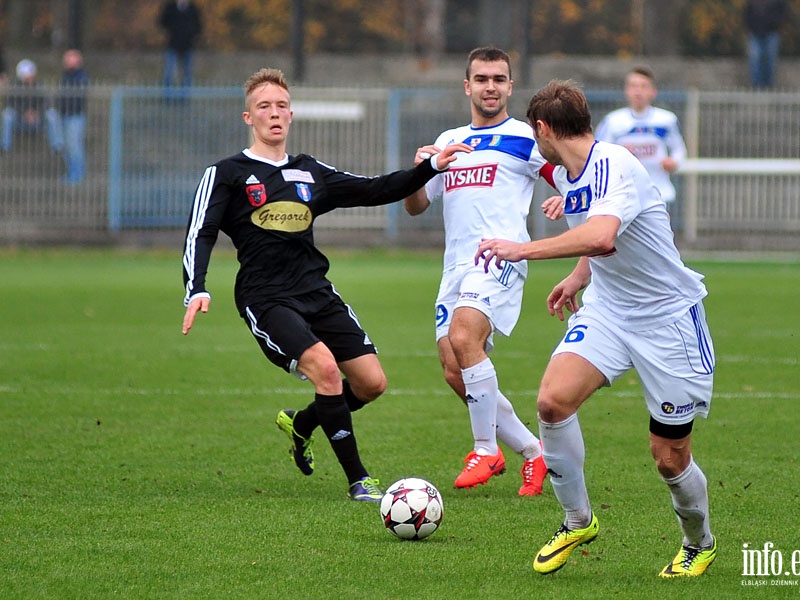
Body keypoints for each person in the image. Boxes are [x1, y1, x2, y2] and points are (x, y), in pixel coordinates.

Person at [181, 68, 470, 502]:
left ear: (292, 115)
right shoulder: (227, 173)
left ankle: (304, 423)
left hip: (316, 291)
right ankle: (359, 480)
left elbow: (374, 189)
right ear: (248, 117)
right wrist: (197, 287)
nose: (274, 114)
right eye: (264, 107)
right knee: (326, 369)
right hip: (266, 296)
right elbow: (200, 230)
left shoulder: (310, 171)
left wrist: (428, 168)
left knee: (372, 383)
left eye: (281, 106)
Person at [476, 80, 717, 577]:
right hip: (608, 310)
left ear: (543, 129)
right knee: (552, 401)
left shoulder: (617, 164)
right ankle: (576, 518)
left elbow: (604, 234)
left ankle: (700, 542)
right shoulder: (571, 172)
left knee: (669, 458)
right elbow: (601, 240)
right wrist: (577, 276)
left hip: (666, 319)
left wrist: (521, 248)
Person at [404, 46, 560, 496]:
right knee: (455, 369)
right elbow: (416, 207)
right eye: (482, 79)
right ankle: (535, 451)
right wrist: (418, 173)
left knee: (465, 337)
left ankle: (485, 448)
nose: (490, 86)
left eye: (499, 79)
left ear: (510, 86)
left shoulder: (526, 137)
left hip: (499, 258)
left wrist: (565, 199)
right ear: (467, 86)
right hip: (455, 267)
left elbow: (573, 175)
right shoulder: (450, 139)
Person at [595, 66, 686, 211]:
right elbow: (599, 153)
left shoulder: (666, 120)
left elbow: (679, 149)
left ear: (653, 91)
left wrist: (674, 162)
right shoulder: (613, 121)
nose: (638, 91)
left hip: (658, 193)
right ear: (627, 91)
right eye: (633, 86)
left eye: (644, 86)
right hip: (623, 195)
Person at [1, 59, 63, 154]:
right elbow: (11, 104)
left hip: (38, 120)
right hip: (21, 120)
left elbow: (46, 103)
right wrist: (24, 114)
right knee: (7, 114)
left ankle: (57, 146)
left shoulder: (40, 86)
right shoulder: (14, 88)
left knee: (52, 114)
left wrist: (37, 113)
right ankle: (5, 147)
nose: (30, 77)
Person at [57, 49, 89, 184]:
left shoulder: (81, 76)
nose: (67, 61)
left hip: (75, 116)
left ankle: (77, 174)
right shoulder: (66, 76)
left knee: (74, 145)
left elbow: (78, 96)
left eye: (70, 59)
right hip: (65, 114)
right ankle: (71, 172)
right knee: (67, 146)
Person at [158, 0, 203, 89]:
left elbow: (199, 25)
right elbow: (162, 22)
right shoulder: (170, 8)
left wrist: (194, 36)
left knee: (187, 74)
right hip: (173, 45)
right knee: (168, 73)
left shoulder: (193, 9)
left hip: (188, 45)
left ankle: (184, 99)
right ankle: (167, 98)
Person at [744, 0, 788, 88]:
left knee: (770, 60)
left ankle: (768, 87)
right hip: (755, 32)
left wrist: (776, 24)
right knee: (755, 59)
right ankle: (757, 86)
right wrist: (749, 26)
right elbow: (747, 11)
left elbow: (783, 12)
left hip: (771, 32)